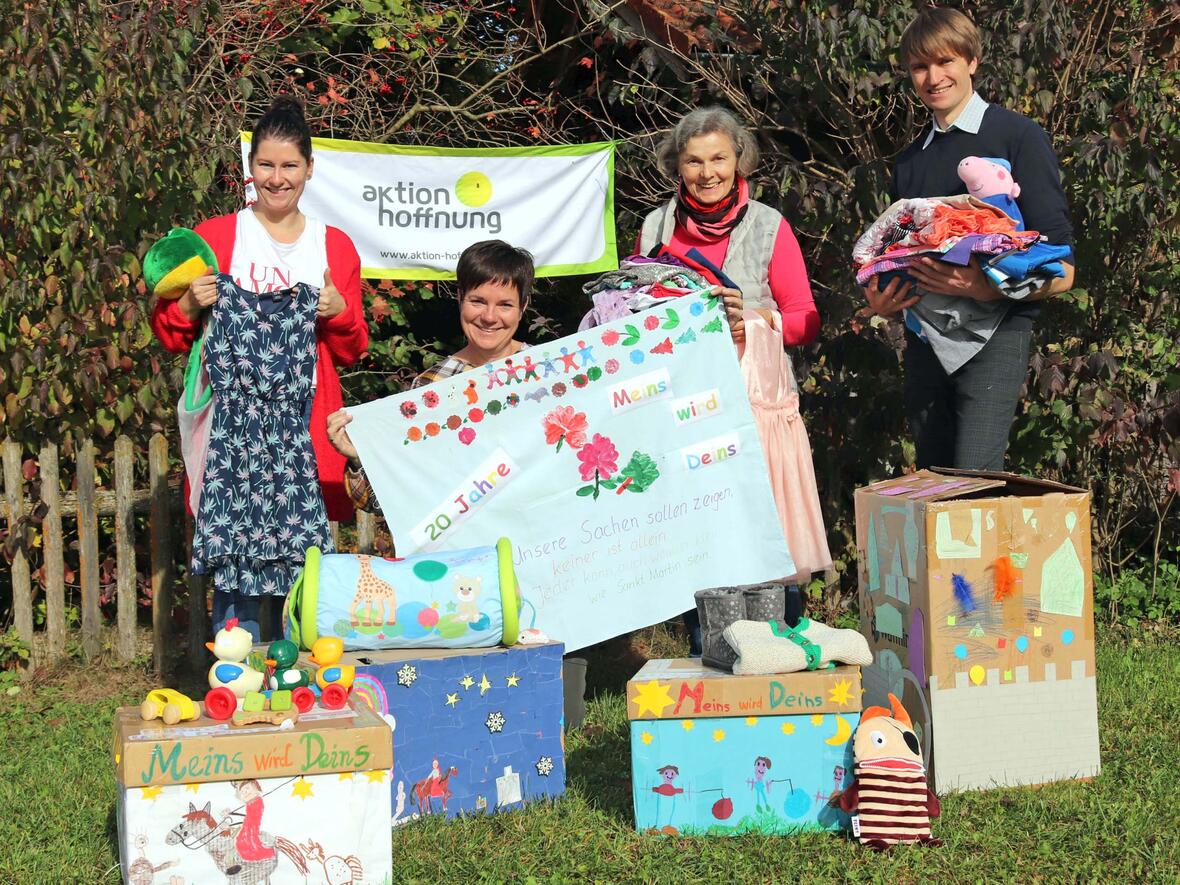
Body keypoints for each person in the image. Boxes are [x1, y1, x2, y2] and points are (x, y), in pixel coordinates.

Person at [151, 96, 368, 640]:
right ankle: (237, 689)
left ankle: (307, 693)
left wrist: (339, 314)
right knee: (235, 578)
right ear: (250, 169)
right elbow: (171, 332)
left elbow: (353, 348)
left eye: (289, 165)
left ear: (310, 168)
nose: (277, 178)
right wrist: (188, 305)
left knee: (306, 577)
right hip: (232, 434)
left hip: (305, 427)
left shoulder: (333, 247)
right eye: (266, 165)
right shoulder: (218, 237)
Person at [639, 106, 832, 653]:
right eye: (694, 161)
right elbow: (633, 318)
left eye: (719, 158)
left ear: (738, 158)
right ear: (677, 166)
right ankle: (712, 659)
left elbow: (806, 319)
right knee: (706, 543)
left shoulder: (769, 225)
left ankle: (787, 658)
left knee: (769, 539)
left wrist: (750, 317)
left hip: (757, 413)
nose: (708, 172)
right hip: (686, 412)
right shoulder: (654, 228)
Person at [863, 7, 1075, 471]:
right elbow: (896, 256)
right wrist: (885, 302)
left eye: (946, 62)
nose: (933, 77)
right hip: (924, 344)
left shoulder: (1017, 136)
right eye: (920, 67)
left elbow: (1064, 271)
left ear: (972, 61)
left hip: (996, 336)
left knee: (976, 484)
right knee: (936, 484)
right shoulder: (907, 165)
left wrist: (983, 287)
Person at [325, 239, 534, 510]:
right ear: (460, 298)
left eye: (505, 305)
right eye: (478, 301)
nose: (490, 317)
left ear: (523, 306)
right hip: (463, 549)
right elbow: (385, 502)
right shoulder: (428, 388)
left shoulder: (552, 372)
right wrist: (360, 458)